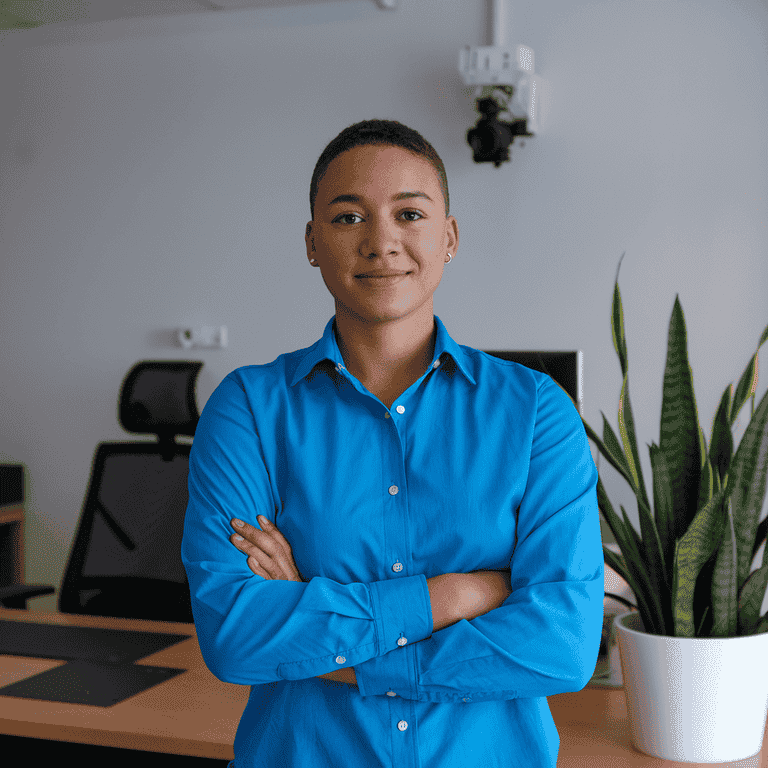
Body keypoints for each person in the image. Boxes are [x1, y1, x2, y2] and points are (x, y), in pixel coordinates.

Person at [181, 119, 604, 768]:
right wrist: (460, 595)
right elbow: (237, 637)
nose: (382, 242)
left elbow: (562, 646)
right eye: (348, 217)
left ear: (450, 237)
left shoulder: (537, 412)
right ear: (312, 243)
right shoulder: (248, 409)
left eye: (410, 213)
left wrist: (318, 633)